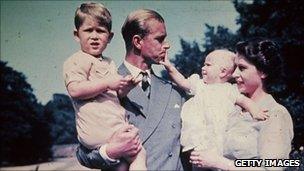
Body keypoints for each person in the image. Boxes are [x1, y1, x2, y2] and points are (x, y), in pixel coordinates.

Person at [76, 9, 186, 170]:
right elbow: (83, 153)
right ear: (137, 41)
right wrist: (111, 151)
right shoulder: (100, 85)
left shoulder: (174, 92)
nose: (166, 45)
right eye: (160, 39)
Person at [63, 2, 146, 170]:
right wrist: (107, 82)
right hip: (98, 128)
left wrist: (125, 88)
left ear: (110, 37)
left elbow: (115, 96)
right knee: (139, 153)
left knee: (124, 164)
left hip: (112, 126)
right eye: (88, 30)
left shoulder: (109, 62)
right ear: (76, 34)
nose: (94, 36)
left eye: (100, 31)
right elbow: (74, 90)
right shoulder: (76, 60)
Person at [190, 38, 294, 170]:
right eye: (235, 68)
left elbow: (271, 167)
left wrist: (222, 163)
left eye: (242, 68)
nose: (234, 74)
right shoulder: (231, 107)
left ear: (263, 72)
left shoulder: (275, 113)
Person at [161, 49, 269, 168]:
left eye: (208, 65)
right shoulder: (200, 85)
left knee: (215, 162)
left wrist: (255, 111)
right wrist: (169, 67)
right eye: (204, 64)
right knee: (198, 161)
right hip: (198, 136)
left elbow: (245, 101)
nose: (203, 67)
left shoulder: (229, 90)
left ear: (222, 72)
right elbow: (182, 81)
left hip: (218, 135)